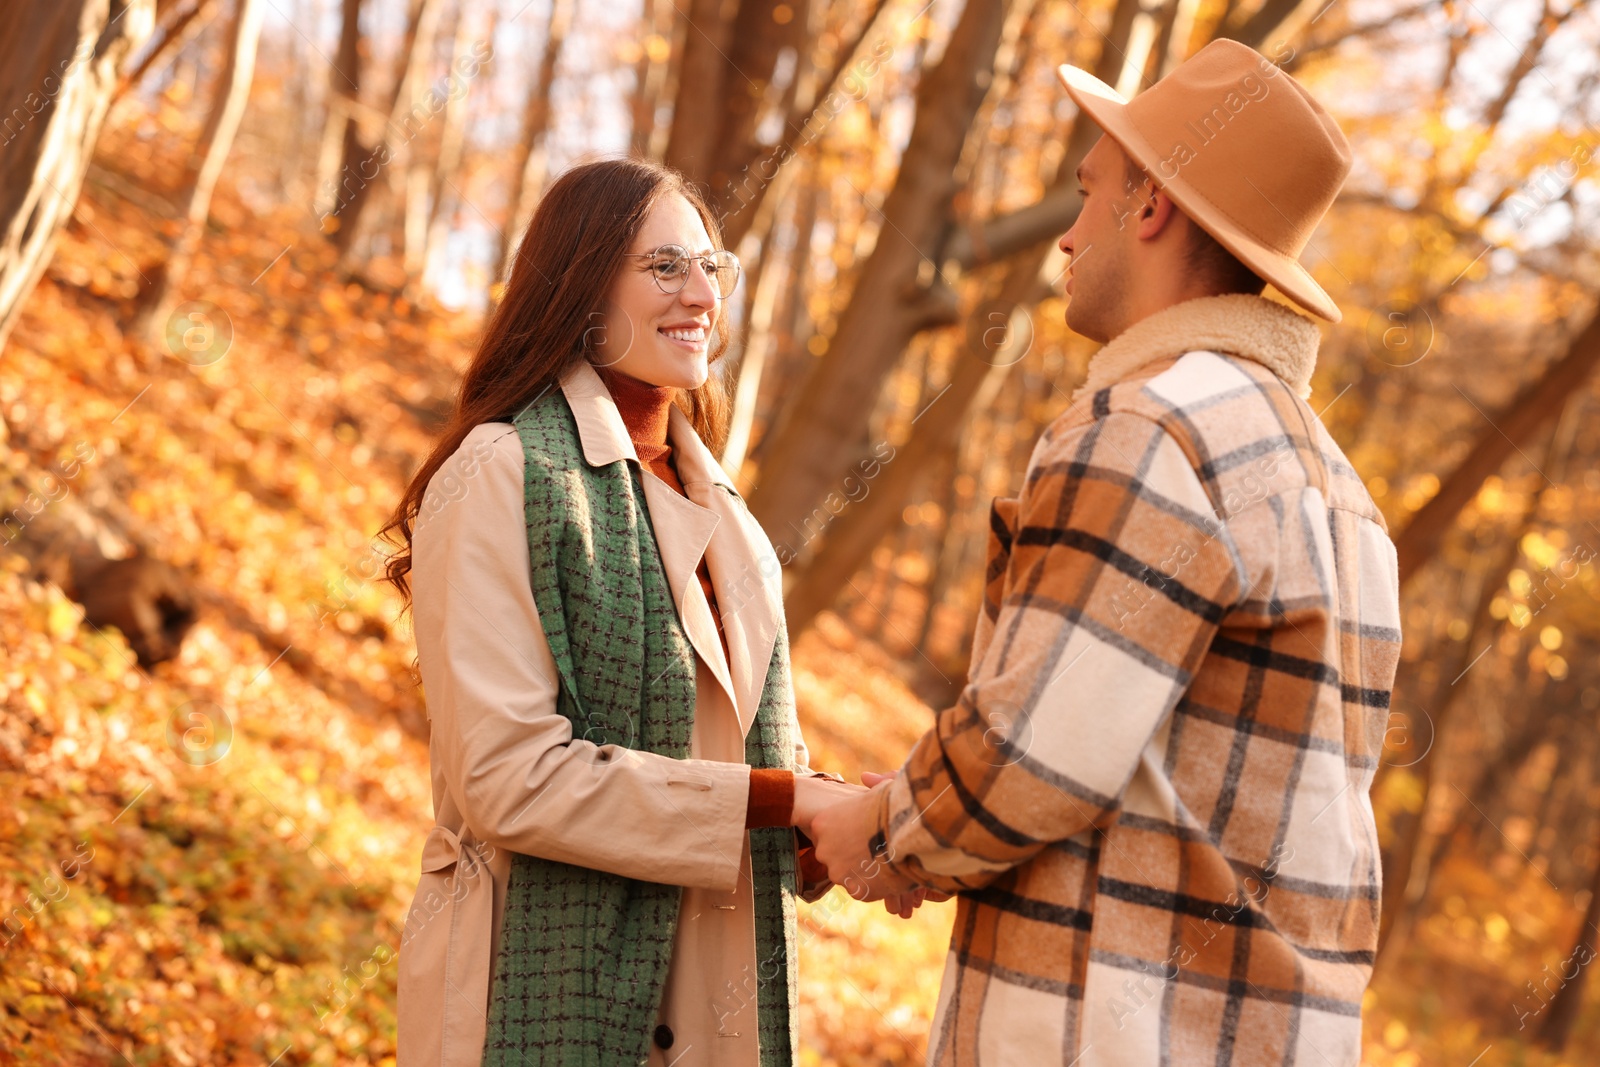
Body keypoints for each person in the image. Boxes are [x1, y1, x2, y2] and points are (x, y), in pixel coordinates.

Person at [810, 38, 1402, 1066]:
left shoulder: (1153, 427)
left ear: (1153, 207)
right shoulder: (1341, 492)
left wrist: (873, 831)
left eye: (1090, 194)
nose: (1068, 236)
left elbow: (1027, 754)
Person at [381, 157, 873, 1067]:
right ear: (579, 283)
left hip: (714, 1004)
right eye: (663, 266)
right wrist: (783, 798)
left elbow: (739, 769)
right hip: (532, 996)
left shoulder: (732, 521)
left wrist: (829, 820)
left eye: (710, 266)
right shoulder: (505, 471)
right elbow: (508, 777)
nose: (701, 293)